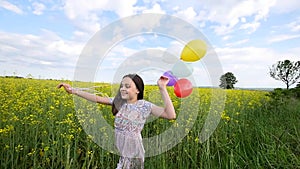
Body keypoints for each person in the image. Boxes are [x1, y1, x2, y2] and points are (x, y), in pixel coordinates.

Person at [57, 74, 176, 169]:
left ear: (138, 90)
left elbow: (170, 115)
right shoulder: (119, 102)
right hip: (123, 151)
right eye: (122, 86)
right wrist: (73, 91)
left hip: (133, 152)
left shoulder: (144, 106)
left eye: (128, 86)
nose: (123, 89)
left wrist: (162, 88)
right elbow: (97, 98)